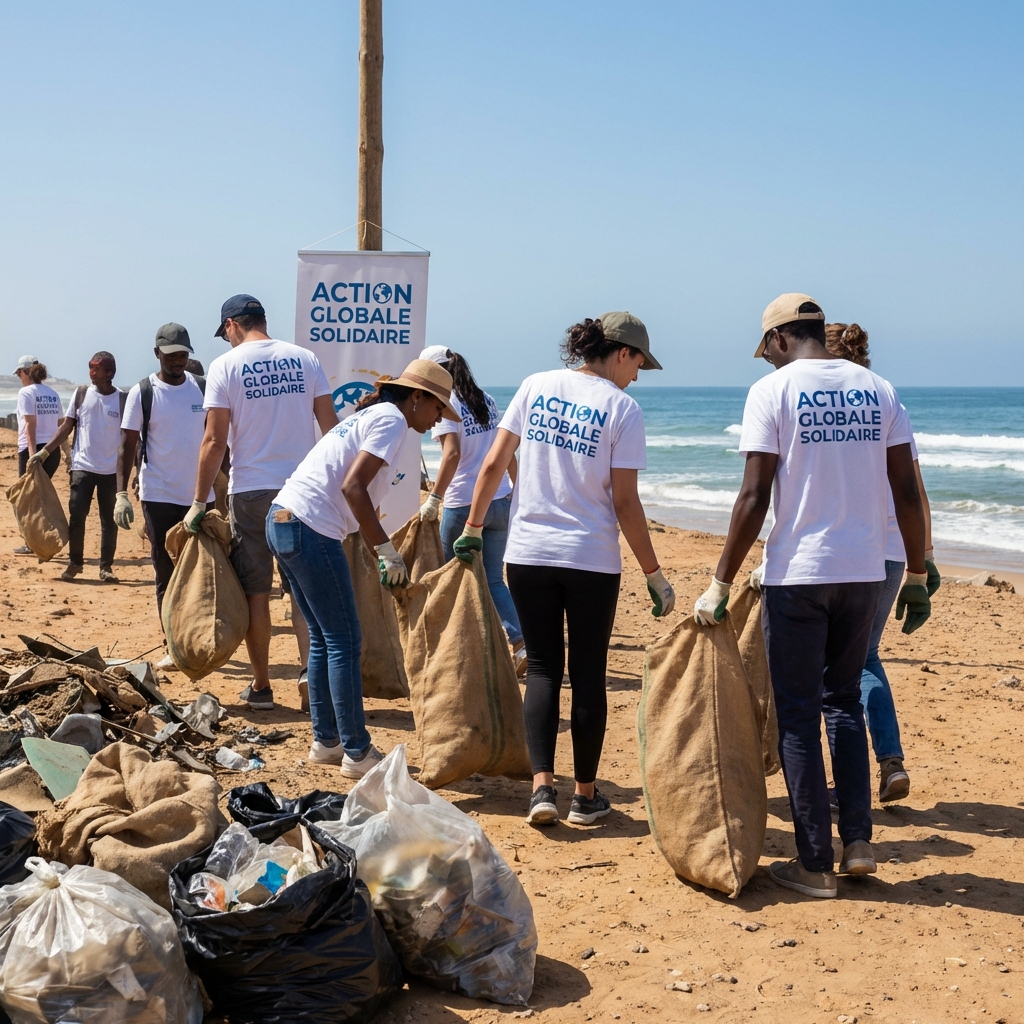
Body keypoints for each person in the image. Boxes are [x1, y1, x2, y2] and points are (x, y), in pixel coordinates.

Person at [694, 293, 930, 900]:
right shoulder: (878, 389)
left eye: (765, 350)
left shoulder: (772, 393)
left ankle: (814, 865)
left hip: (799, 575)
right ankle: (858, 843)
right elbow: (906, 488)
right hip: (862, 572)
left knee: (799, 717)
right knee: (844, 702)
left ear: (777, 339)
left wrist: (721, 581)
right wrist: (917, 571)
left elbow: (754, 495)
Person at [455, 312, 676, 827]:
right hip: (590, 560)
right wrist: (654, 573)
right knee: (588, 676)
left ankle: (541, 792)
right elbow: (625, 502)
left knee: (542, 670)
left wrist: (472, 525)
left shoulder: (535, 385)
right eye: (639, 363)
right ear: (622, 352)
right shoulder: (624, 409)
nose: (638, 375)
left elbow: (492, 465)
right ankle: (585, 797)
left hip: (527, 554)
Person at [267, 359, 459, 777]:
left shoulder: (375, 415)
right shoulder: (391, 420)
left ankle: (327, 742)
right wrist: (388, 553)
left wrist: (383, 553)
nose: (438, 419)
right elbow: (352, 487)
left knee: (322, 637)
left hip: (282, 519)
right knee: (344, 640)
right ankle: (357, 752)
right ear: (416, 398)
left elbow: (359, 498)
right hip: (308, 526)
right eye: (437, 408)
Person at [187, 294, 338, 710]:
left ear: (233, 324)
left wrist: (199, 501)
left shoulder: (225, 366)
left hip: (250, 491)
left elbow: (215, 440)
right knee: (301, 592)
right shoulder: (305, 358)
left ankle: (261, 686)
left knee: (257, 592)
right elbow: (331, 429)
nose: (227, 341)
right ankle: (310, 675)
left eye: (226, 334)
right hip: (302, 490)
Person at [824, 322, 941, 803]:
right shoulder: (888, 403)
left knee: (825, 665)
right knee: (865, 656)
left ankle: (838, 780)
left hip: (840, 550)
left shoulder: (820, 409)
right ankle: (890, 760)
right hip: (893, 551)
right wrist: (924, 558)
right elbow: (913, 489)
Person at [418, 345, 525, 668]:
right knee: (493, 579)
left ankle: (460, 654)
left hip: (464, 502)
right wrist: (515, 491)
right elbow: (506, 452)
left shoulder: (444, 405)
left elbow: (451, 455)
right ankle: (520, 642)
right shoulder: (487, 400)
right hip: (499, 500)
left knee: (454, 579)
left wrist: (434, 499)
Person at [114, 324, 214, 654]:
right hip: (159, 497)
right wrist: (121, 494)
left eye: (183, 354)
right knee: (166, 573)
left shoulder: (202, 388)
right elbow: (127, 445)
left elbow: (218, 441)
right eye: (171, 355)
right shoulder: (143, 392)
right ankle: (172, 642)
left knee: (203, 573)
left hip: (201, 497)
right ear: (157, 353)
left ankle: (199, 638)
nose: (178, 361)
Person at [35, 352, 125, 583]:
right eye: (90, 367)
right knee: (77, 517)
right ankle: (75, 563)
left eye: (97, 368)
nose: (91, 372)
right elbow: (66, 427)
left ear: (110, 373)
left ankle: (106, 567)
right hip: (82, 468)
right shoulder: (82, 394)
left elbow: (132, 438)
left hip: (110, 471)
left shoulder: (122, 400)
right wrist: (45, 452)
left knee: (109, 520)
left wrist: (135, 472)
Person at [13, 356, 62, 555]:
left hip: (32, 450)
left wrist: (33, 456)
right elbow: (61, 426)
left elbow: (30, 425)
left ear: (25, 372)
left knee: (28, 500)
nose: (19, 378)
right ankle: (40, 540)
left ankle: (33, 543)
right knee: (41, 498)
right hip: (52, 450)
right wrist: (65, 453)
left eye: (19, 374)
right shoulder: (52, 393)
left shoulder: (26, 392)